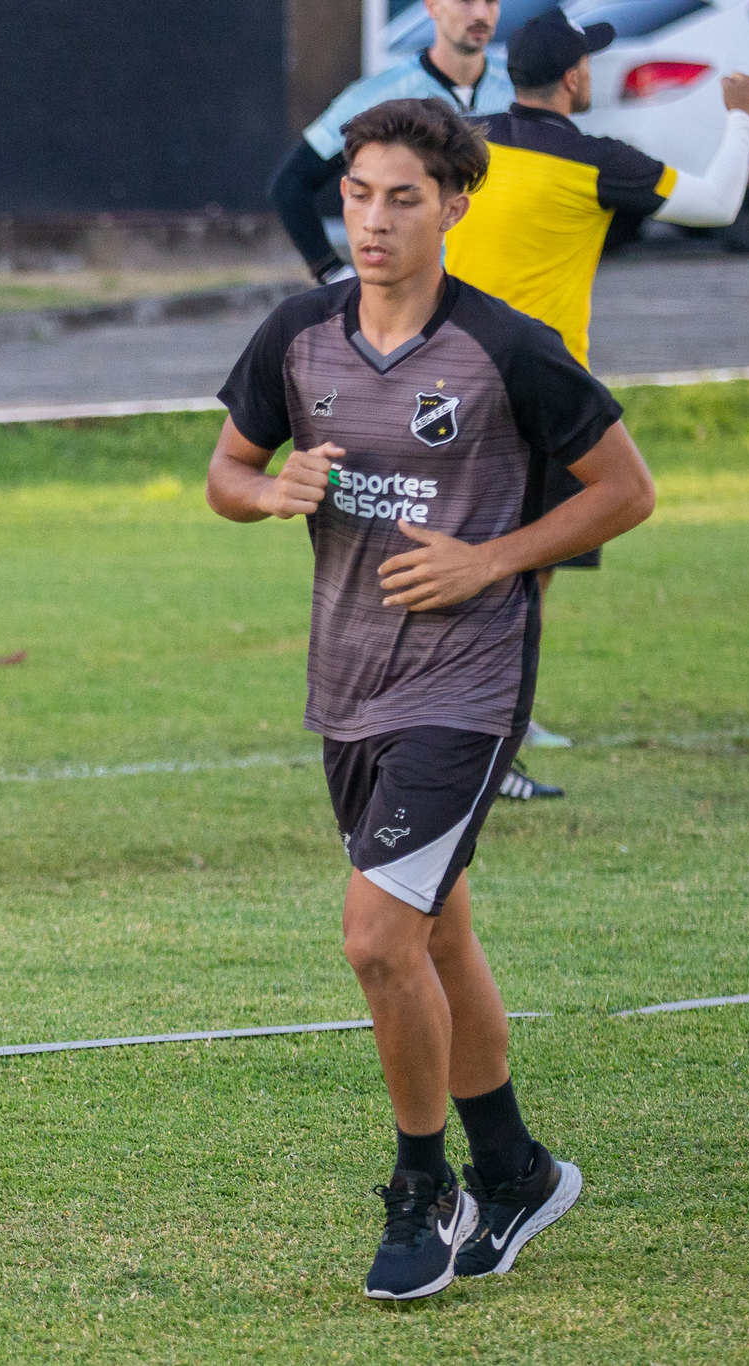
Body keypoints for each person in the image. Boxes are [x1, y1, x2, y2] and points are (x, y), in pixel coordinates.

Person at [207, 98, 655, 1300]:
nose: (372, 219)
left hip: (465, 684)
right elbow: (224, 472)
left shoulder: (505, 347)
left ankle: (425, 1187)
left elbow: (624, 489)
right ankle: (514, 1166)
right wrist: (270, 490)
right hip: (347, 681)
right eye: (357, 194)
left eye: (402, 197)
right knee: (435, 927)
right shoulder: (297, 335)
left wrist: (489, 559)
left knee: (375, 935)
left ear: (456, 205)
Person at [445, 5, 749, 790]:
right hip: (541, 395)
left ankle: (490, 724)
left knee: (478, 565)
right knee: (523, 573)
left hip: (443, 381)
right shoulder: (594, 160)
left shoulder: (465, 142)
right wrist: (741, 119)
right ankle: (488, 744)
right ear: (575, 77)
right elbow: (718, 204)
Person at [270, 0, 514, 286]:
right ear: (432, 6)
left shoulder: (521, 88)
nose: (481, 14)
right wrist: (334, 273)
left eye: (491, 1)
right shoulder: (381, 92)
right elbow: (290, 185)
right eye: (466, 1)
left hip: (503, 298)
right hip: (415, 301)